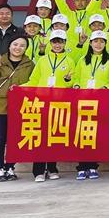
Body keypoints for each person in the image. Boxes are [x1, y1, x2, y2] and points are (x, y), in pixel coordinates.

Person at [0, 36, 35, 182]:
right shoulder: (0, 61)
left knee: (15, 139)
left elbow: (33, 83)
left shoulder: (29, 64)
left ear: (26, 48)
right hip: (0, 107)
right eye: (15, 44)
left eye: (22, 45)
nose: (18, 48)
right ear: (9, 46)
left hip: (20, 107)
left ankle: (10, 166)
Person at [25, 29, 75, 182]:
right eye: (54, 42)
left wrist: (68, 80)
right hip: (42, 103)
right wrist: (20, 88)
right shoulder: (42, 60)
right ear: (50, 43)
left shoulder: (70, 61)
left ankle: (52, 168)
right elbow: (34, 80)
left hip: (59, 104)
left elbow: (72, 83)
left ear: (65, 43)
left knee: (54, 137)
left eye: (60, 42)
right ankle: (39, 171)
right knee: (40, 137)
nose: (57, 45)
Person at [72, 30, 109, 180]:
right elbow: (76, 77)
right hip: (83, 102)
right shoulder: (83, 60)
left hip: (100, 102)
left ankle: (92, 166)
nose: (98, 44)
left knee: (96, 134)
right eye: (96, 41)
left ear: (105, 44)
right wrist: (76, 85)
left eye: (102, 41)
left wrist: (105, 88)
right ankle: (82, 166)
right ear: (90, 43)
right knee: (82, 133)